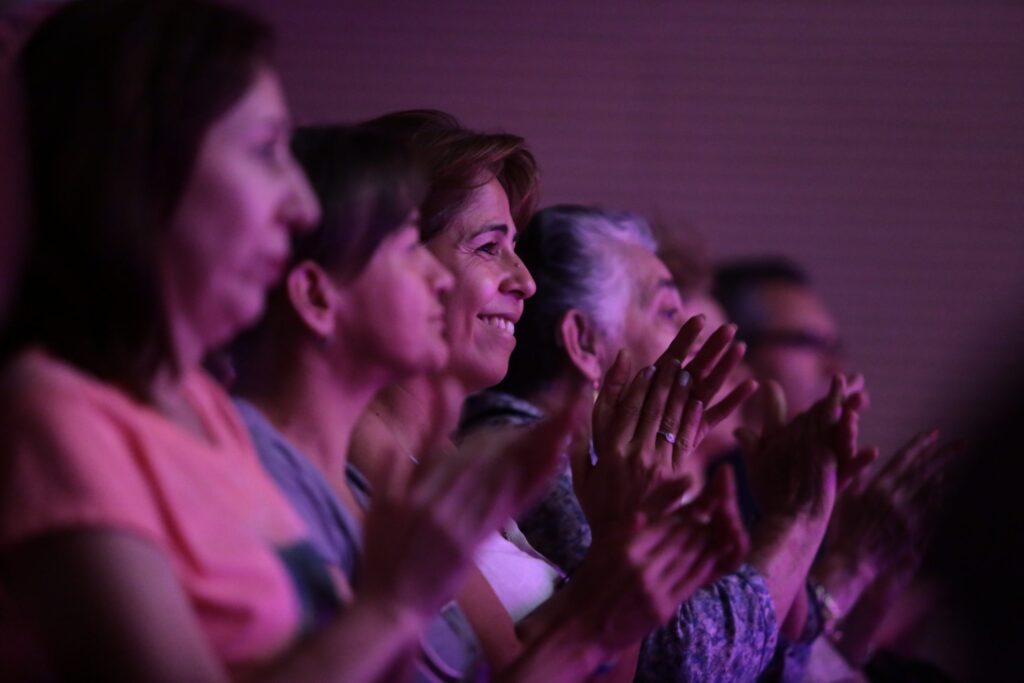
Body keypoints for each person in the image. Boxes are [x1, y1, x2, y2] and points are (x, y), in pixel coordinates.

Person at [0, 3, 552, 681]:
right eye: (266, 153)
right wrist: (395, 603)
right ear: (145, 173)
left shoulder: (199, 404)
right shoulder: (58, 416)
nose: (299, 204)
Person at [345, 110, 752, 680]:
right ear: (391, 260)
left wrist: (620, 528)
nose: (525, 281)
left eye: (515, 247)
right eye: (489, 247)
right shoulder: (386, 469)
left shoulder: (447, 463)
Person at [467, 205, 875, 682]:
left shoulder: (594, 457)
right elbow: (685, 660)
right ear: (584, 343)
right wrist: (797, 518)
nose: (698, 348)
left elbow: (774, 665)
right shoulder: (529, 453)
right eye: (667, 313)